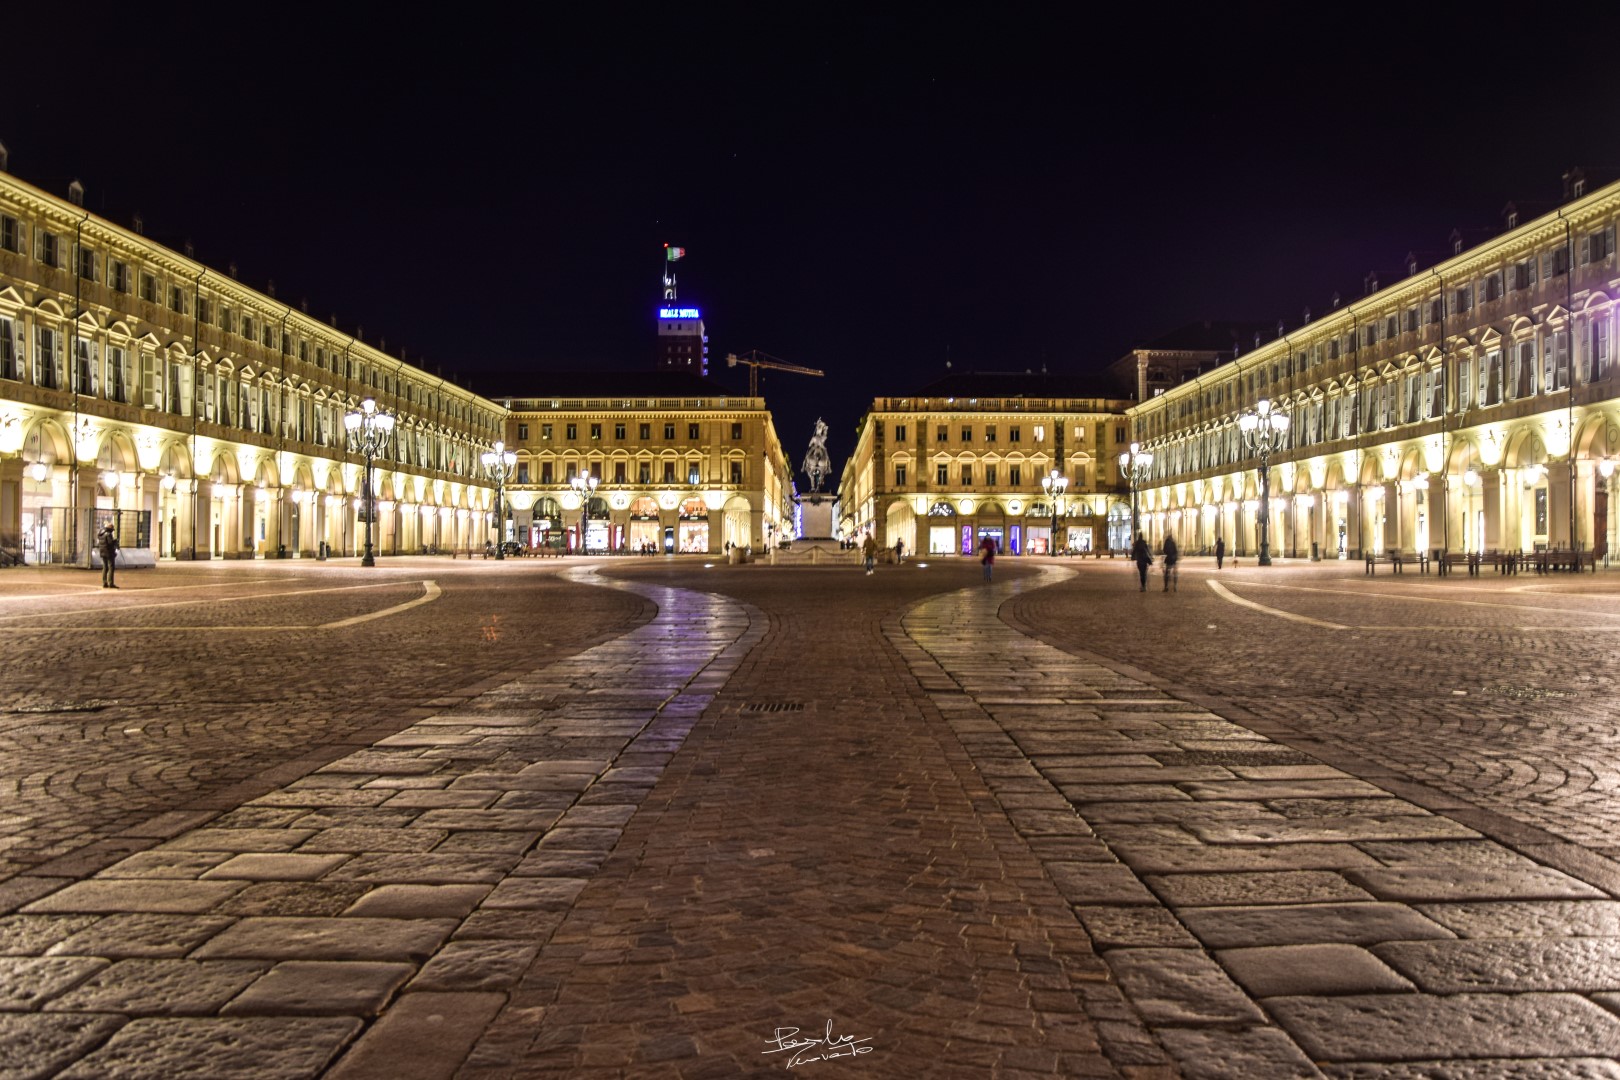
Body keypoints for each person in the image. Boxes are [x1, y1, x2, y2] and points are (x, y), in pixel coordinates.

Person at [96, 524, 119, 588]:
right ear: (110, 529)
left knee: (105, 567)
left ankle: (104, 582)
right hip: (109, 553)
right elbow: (110, 543)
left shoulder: (101, 533)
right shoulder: (108, 534)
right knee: (111, 567)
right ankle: (110, 583)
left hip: (102, 552)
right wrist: (115, 541)